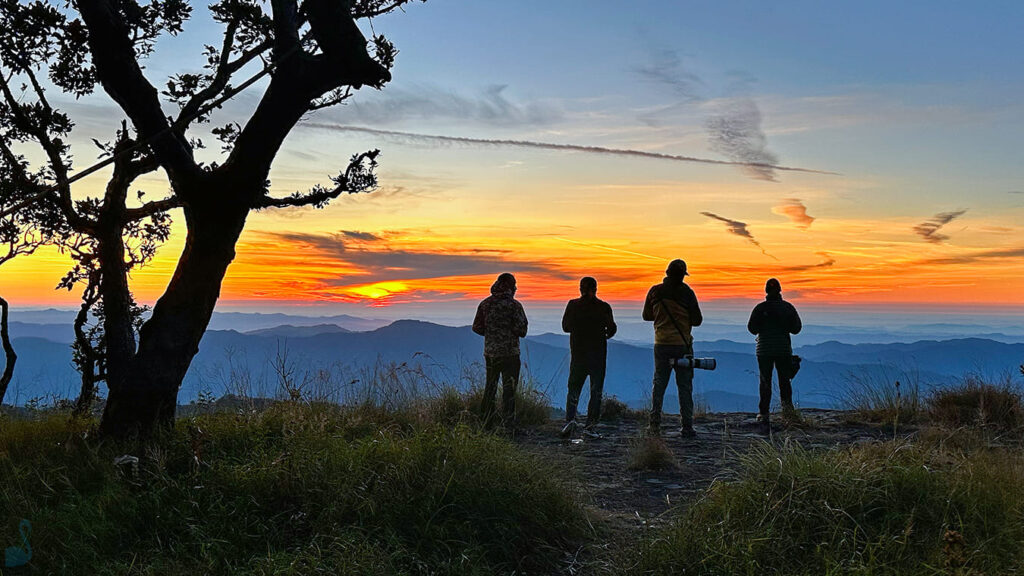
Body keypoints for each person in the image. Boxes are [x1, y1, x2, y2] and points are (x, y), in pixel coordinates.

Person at [643, 259, 703, 437]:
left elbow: (646, 315)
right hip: (682, 345)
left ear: (667, 273)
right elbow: (697, 320)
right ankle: (687, 426)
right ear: (682, 276)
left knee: (659, 383)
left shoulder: (655, 291)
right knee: (684, 386)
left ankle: (654, 425)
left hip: (661, 344)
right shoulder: (687, 293)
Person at [560, 277, 617, 438]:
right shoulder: (604, 307)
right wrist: (603, 334)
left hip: (578, 354)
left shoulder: (573, 305)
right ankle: (590, 426)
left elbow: (565, 327)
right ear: (596, 289)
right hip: (598, 355)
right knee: (596, 391)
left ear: (580, 289)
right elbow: (612, 329)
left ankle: (570, 420)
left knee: (574, 388)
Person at [472, 272, 528, 428]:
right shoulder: (514, 306)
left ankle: (486, 423)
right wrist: (509, 332)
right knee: (509, 390)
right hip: (510, 354)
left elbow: (476, 327)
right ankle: (508, 424)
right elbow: (522, 330)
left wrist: (491, 334)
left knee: (490, 387)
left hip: (491, 354)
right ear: (510, 286)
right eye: (514, 285)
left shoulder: (485, 304)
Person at [747, 278, 802, 429]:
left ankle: (764, 414)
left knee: (765, 381)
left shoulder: (760, 308)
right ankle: (788, 412)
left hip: (764, 350)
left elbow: (752, 329)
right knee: (784, 381)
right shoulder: (788, 308)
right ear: (780, 291)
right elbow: (796, 329)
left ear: (766, 291)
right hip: (783, 349)